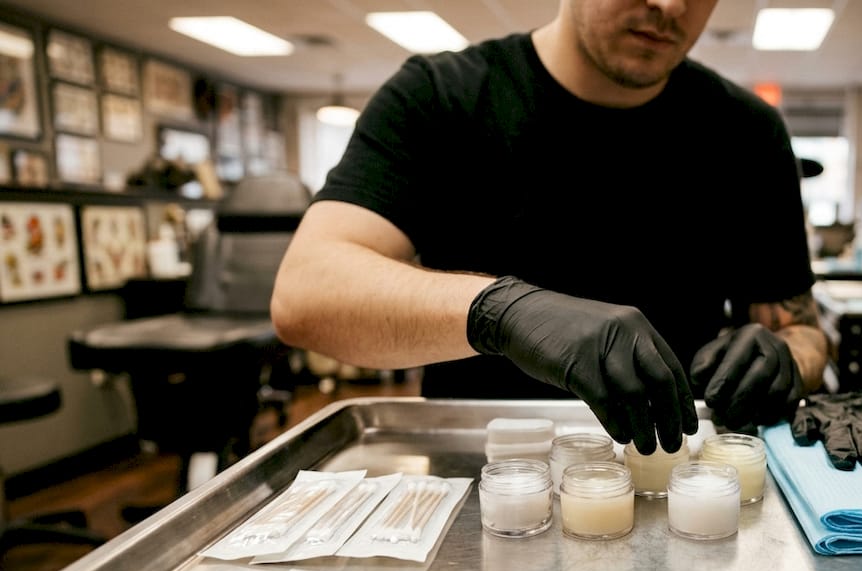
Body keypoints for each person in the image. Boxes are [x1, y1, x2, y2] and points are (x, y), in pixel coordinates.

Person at [270, 0, 830, 456]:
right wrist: (500, 312)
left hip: (676, 474)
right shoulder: (441, 96)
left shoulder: (747, 132)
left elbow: (800, 330)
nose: (671, 5)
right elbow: (306, 292)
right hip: (483, 476)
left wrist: (787, 359)